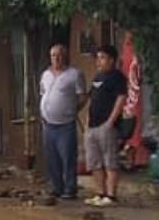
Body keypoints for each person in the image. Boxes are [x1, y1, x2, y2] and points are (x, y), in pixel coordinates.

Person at [39, 42, 86, 201]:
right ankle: (56, 187)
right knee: (52, 158)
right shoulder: (45, 74)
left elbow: (82, 97)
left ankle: (70, 188)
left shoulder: (74, 74)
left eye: (59, 55)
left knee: (68, 157)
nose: (56, 58)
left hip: (65, 124)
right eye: (53, 55)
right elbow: (43, 94)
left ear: (65, 56)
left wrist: (71, 111)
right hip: (48, 124)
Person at [84, 44, 128, 205]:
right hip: (92, 126)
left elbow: (121, 99)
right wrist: (88, 123)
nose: (99, 61)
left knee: (110, 161)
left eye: (102, 57)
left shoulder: (117, 77)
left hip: (107, 126)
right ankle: (100, 193)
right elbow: (92, 100)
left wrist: (110, 121)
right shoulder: (97, 77)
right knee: (94, 162)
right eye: (98, 57)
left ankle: (111, 196)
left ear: (112, 60)